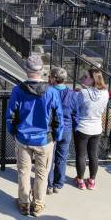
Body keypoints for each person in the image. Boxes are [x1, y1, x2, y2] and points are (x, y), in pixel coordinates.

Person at [6, 55, 64, 217]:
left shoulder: (18, 90)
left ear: (27, 70)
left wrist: (14, 133)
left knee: (23, 172)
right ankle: (38, 204)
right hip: (45, 139)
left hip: (23, 138)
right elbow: (59, 118)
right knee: (42, 173)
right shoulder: (51, 92)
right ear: (42, 71)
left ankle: (24, 203)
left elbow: (10, 116)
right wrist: (57, 136)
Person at [74, 68, 109, 190]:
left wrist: (79, 93)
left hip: (83, 127)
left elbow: (76, 106)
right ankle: (92, 181)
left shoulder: (83, 93)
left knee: (81, 155)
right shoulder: (106, 92)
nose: (84, 79)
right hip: (97, 127)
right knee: (94, 155)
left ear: (93, 79)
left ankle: (80, 180)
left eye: (86, 77)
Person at [47, 67, 79, 195]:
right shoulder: (72, 94)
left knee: (49, 157)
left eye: (50, 76)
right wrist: (74, 128)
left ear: (54, 78)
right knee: (62, 157)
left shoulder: (48, 92)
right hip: (66, 129)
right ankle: (58, 184)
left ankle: (48, 185)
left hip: (50, 129)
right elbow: (76, 114)